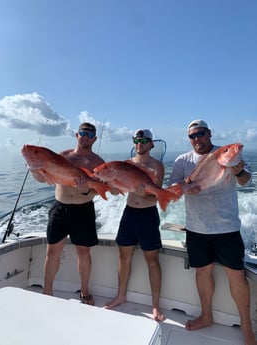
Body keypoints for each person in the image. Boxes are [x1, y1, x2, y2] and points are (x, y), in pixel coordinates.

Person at [169, 119, 257, 344]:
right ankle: (206, 315)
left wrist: (237, 169)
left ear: (209, 133)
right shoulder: (182, 161)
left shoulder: (227, 154)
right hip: (197, 228)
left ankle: (247, 325)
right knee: (202, 272)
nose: (196, 139)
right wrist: (186, 187)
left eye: (200, 133)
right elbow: (174, 188)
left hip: (227, 227)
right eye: (192, 136)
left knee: (236, 274)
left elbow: (246, 181)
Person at [30, 122, 105, 305]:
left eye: (89, 134)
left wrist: (87, 191)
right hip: (60, 208)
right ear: (76, 135)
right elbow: (42, 178)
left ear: (95, 138)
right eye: (83, 133)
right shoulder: (62, 156)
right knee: (52, 251)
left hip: (83, 210)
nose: (86, 137)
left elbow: (102, 188)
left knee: (84, 252)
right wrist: (33, 167)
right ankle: (47, 291)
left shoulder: (99, 163)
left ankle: (85, 292)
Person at [105, 129, 165, 321]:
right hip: (129, 214)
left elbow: (156, 193)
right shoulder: (125, 165)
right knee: (123, 258)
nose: (140, 143)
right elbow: (116, 192)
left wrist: (142, 192)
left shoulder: (157, 166)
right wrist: (113, 188)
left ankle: (156, 306)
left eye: (145, 140)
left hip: (148, 215)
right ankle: (121, 296)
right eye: (137, 140)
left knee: (153, 261)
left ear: (151, 144)